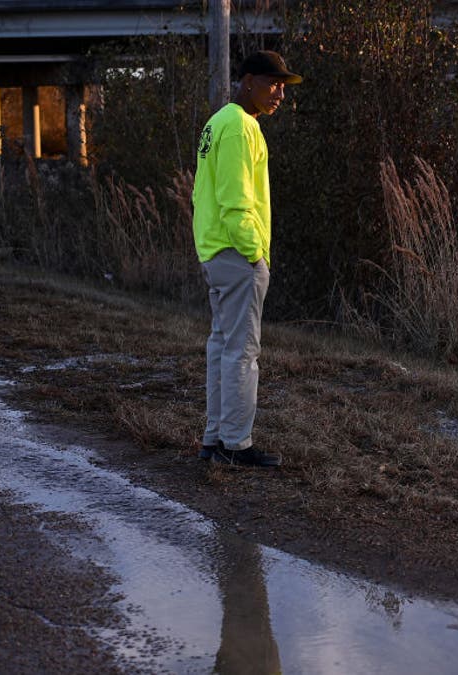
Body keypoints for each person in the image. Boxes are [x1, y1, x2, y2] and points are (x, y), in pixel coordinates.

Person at [192, 51, 302, 467]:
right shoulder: (240, 127)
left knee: (222, 346)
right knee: (242, 351)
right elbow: (235, 200)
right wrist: (255, 252)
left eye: (283, 86)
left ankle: (214, 440)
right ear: (249, 81)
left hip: (216, 251)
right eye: (273, 84)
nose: (279, 94)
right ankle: (236, 446)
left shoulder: (218, 122)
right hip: (237, 254)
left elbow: (202, 192)